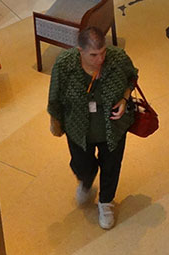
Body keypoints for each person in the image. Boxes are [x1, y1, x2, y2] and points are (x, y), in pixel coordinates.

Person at [46, 27, 139, 230]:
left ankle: (106, 202)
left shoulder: (118, 58)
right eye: (94, 55)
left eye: (103, 52)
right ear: (80, 51)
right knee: (81, 165)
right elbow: (55, 96)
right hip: (78, 129)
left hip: (113, 127)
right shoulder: (64, 65)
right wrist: (55, 120)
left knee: (112, 166)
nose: (100, 59)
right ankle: (86, 182)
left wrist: (124, 99)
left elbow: (133, 77)